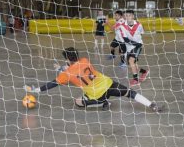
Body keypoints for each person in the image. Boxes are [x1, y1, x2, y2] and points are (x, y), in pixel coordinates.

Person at [24, 47, 162, 112]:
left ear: (66, 59)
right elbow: (76, 69)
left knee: (78, 102)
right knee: (130, 93)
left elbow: (52, 84)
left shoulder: (66, 74)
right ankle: (152, 105)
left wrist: (35, 89)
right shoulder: (85, 60)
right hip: (108, 83)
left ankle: (103, 102)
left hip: (96, 94)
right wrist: (62, 68)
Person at [121, 10, 149, 86]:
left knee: (131, 61)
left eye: (129, 15)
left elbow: (141, 34)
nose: (127, 17)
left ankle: (136, 80)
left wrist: (140, 43)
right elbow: (126, 39)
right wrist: (137, 44)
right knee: (133, 64)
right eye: (126, 16)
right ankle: (144, 72)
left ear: (133, 16)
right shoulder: (122, 26)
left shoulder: (139, 25)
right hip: (130, 46)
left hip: (138, 46)